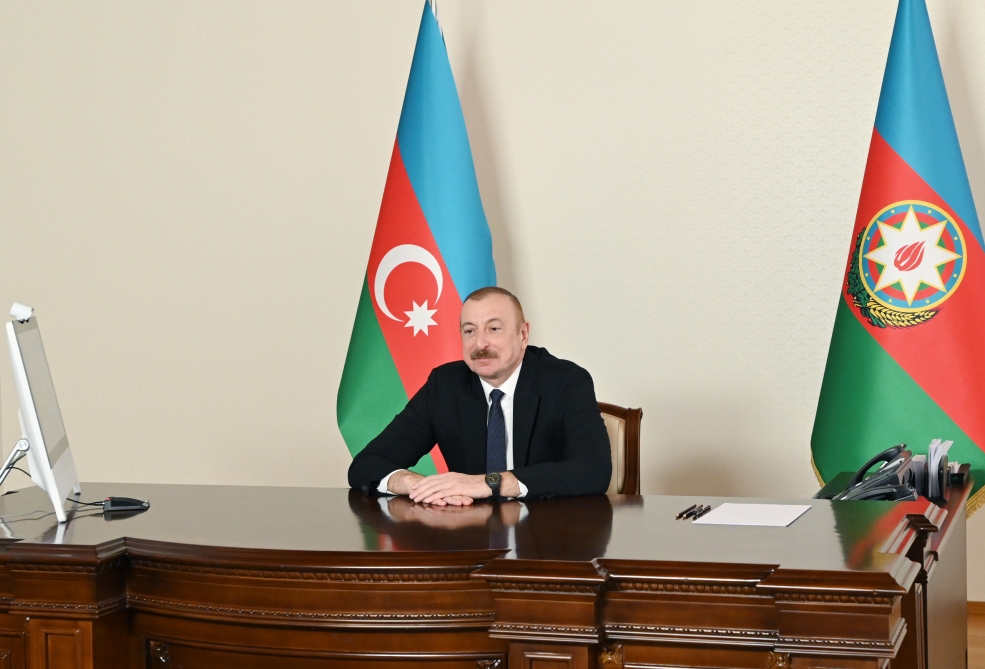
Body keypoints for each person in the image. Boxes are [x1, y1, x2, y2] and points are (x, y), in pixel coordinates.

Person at [348, 286, 611, 505]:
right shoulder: (445, 385)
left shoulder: (566, 381)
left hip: (546, 534)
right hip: (469, 533)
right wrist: (417, 484)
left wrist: (489, 483)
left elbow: (593, 471)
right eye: (469, 331)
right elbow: (366, 464)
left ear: (523, 334)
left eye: (493, 329)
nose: (480, 344)